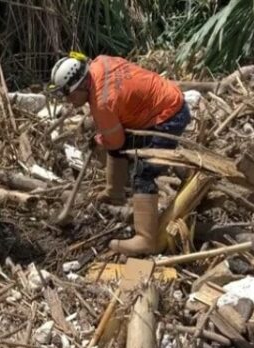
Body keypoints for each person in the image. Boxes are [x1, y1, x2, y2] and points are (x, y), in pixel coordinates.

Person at [49, 52, 191, 255]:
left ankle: (145, 239)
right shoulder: (99, 63)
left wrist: (100, 140)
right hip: (156, 103)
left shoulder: (103, 104)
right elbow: (116, 141)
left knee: (144, 173)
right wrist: (105, 137)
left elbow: (115, 141)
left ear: (81, 86)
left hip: (168, 115)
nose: (69, 101)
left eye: (69, 95)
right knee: (116, 143)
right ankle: (114, 192)